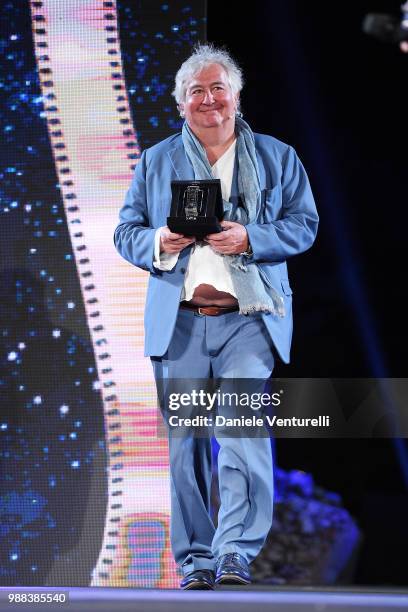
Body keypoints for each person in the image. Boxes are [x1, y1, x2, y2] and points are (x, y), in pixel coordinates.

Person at [114, 43, 318, 590]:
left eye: (217, 88)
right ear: (181, 104)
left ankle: (235, 553)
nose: (209, 100)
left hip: (248, 320)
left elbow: (304, 224)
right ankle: (196, 560)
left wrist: (251, 236)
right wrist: (160, 239)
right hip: (179, 324)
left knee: (241, 435)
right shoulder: (157, 160)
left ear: (236, 96)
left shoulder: (277, 156)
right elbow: (125, 233)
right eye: (196, 92)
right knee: (186, 447)